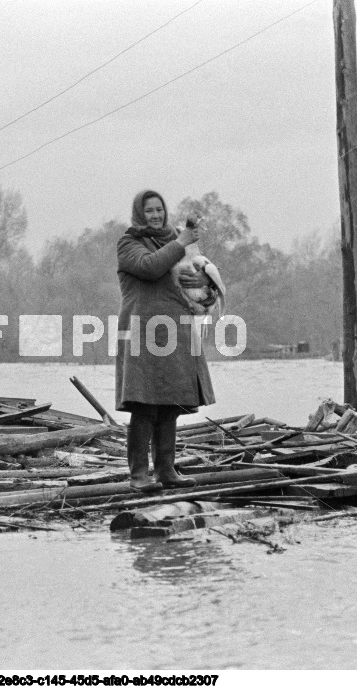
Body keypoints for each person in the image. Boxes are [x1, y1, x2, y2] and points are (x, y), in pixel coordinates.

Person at [115, 190, 216, 492]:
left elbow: (193, 275)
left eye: (159, 209)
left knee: (170, 404)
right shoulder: (128, 243)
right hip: (143, 331)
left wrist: (205, 292)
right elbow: (150, 267)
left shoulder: (176, 241)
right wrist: (182, 241)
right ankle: (138, 475)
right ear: (139, 213)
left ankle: (166, 470)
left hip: (176, 329)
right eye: (149, 211)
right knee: (144, 403)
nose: (156, 215)